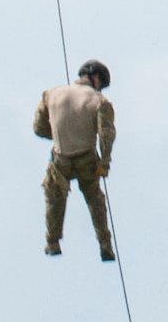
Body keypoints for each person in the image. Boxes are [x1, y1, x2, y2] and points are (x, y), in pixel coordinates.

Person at [34, 60, 116, 260]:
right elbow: (106, 134)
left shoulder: (51, 94)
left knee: (54, 197)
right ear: (96, 77)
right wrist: (104, 163)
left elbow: (38, 127)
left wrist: (62, 135)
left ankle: (52, 242)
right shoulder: (100, 101)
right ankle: (104, 243)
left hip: (61, 158)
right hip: (86, 159)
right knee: (95, 199)